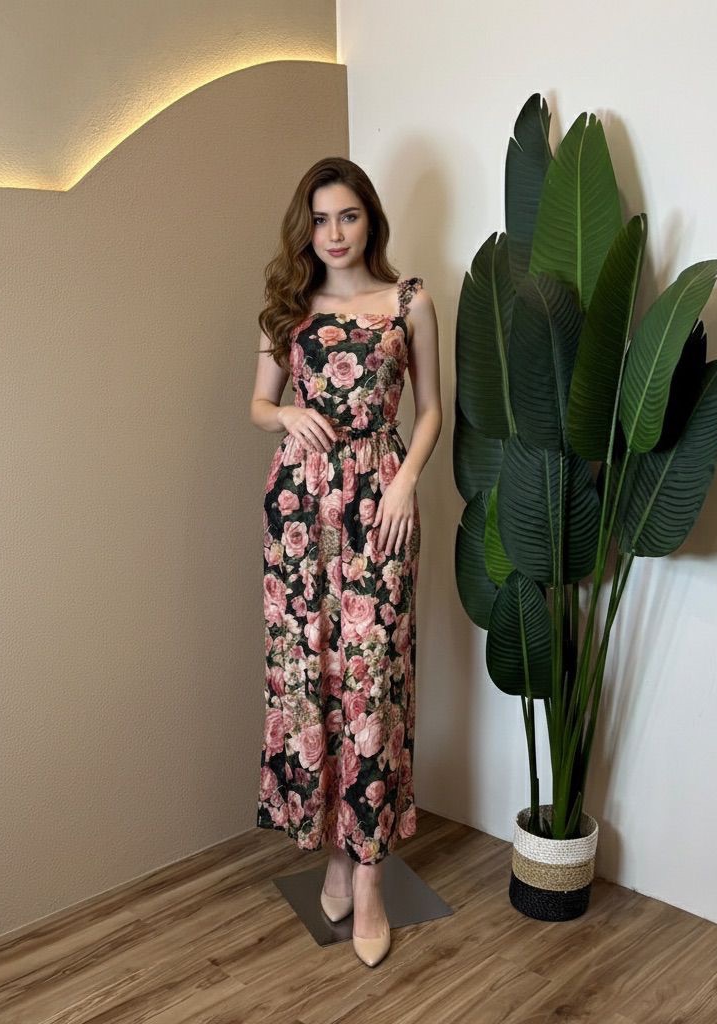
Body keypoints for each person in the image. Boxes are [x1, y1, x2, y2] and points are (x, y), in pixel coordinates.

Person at [249, 156, 442, 967]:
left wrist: (405, 484)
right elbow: (257, 403)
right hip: (299, 512)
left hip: (379, 507)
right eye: (321, 219)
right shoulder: (289, 307)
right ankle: (333, 854)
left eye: (349, 216)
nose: (333, 234)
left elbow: (431, 411)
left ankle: (369, 879)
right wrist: (286, 414)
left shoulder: (410, 302)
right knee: (314, 681)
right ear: (308, 227)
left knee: (372, 686)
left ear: (371, 220)